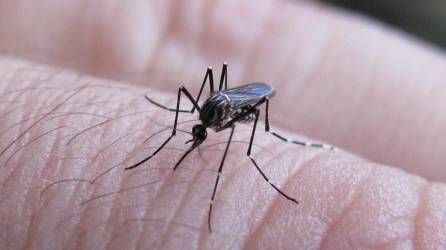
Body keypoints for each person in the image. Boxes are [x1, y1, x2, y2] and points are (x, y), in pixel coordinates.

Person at [0, 0, 445, 249]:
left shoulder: (221, 117)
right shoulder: (200, 117)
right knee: (206, 92)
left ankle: (267, 143)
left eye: (195, 135)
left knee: (243, 131)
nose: (195, 140)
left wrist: (239, 157)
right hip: (220, 102)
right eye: (195, 133)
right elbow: (192, 114)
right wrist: (174, 134)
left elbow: (234, 108)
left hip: (244, 99)